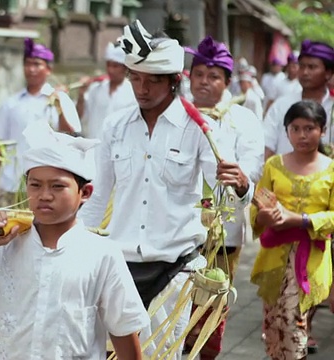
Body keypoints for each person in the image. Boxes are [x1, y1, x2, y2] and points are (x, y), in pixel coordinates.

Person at [78, 20, 251, 359]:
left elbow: (225, 193)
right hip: (119, 263)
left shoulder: (203, 130)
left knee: (162, 354)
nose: (142, 89)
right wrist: (72, 245)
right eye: (135, 78)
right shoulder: (115, 125)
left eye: (152, 81)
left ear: (174, 82)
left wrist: (242, 185)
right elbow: (98, 196)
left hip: (175, 267)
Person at [0, 120, 149, 359]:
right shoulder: (1, 248)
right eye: (35, 185)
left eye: (58, 187)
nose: (44, 196)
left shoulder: (101, 255)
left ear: (85, 193)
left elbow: (124, 331)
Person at [183, 36, 265, 359]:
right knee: (171, 309)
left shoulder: (243, 120)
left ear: (228, 81)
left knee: (210, 307)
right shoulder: (175, 113)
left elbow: (251, 171)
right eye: (199, 74)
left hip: (222, 234)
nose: (204, 82)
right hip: (176, 230)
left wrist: (241, 180)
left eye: (213, 76)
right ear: (188, 77)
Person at [250, 100, 334, 360]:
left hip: (310, 258)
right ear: (286, 131)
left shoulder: (331, 169)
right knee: (273, 328)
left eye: (309, 128)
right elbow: (258, 205)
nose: (302, 135)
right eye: (295, 128)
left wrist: (299, 220)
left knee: (292, 322)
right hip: (273, 256)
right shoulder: (274, 165)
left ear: (323, 129)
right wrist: (264, 215)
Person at [0, 38, 82, 208]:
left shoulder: (60, 99)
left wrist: (59, 105)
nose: (31, 69)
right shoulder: (11, 103)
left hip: (45, 185)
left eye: (37, 64)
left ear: (48, 69)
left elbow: (71, 137)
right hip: (12, 182)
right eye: (27, 64)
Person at [264, 40, 334, 160]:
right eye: (301, 66)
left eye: (312, 67)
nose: (305, 72)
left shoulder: (332, 106)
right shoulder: (282, 105)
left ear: (328, 73)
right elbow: (266, 146)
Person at [76, 42, 135, 139]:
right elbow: (80, 117)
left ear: (125, 68)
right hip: (93, 144)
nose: (110, 70)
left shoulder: (133, 92)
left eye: (115, 66)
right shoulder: (95, 88)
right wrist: (81, 95)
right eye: (108, 65)